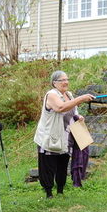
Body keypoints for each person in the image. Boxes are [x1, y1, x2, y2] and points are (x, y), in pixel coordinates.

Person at [33, 70, 94, 199]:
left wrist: (78, 116)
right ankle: (48, 193)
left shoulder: (69, 95)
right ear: (54, 83)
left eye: (67, 79)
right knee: (48, 165)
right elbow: (61, 108)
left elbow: (72, 110)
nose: (66, 82)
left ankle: (60, 190)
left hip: (66, 136)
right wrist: (81, 98)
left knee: (63, 163)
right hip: (50, 137)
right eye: (62, 80)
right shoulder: (51, 95)